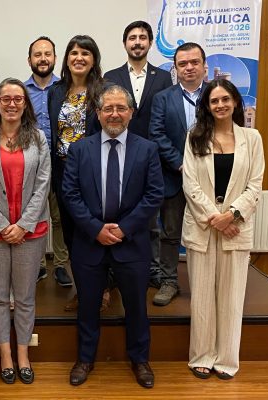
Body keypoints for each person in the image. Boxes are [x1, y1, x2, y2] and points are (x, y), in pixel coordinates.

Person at [61, 85, 163, 388]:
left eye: (120, 108)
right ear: (98, 113)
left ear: (131, 112)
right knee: (87, 306)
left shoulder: (147, 150)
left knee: (136, 307)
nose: (114, 114)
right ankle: (85, 359)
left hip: (131, 242)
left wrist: (124, 228)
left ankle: (140, 360)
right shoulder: (80, 149)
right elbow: (70, 194)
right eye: (108, 108)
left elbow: (154, 195)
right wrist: (95, 228)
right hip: (89, 242)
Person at [0, 78, 50, 384]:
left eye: (18, 99)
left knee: (26, 296)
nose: (12, 104)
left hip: (31, 230)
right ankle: (5, 354)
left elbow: (43, 184)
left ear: (25, 104)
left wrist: (24, 224)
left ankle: (23, 355)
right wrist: (2, 225)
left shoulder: (38, 138)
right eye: (6, 98)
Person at [182, 79, 264, 380]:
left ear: (235, 102)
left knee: (231, 297)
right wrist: (215, 217)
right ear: (206, 105)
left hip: (235, 229)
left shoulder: (252, 138)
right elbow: (190, 184)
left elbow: (255, 185)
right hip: (203, 227)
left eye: (225, 99)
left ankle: (227, 359)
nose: (220, 105)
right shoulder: (195, 137)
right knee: (202, 297)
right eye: (214, 101)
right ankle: (202, 355)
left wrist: (231, 216)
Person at [104, 21, 173, 289]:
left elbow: (164, 118)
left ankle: (151, 269)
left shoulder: (163, 77)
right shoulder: (111, 76)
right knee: (117, 213)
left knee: (151, 219)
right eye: (132, 37)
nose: (137, 42)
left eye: (142, 37)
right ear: (125, 43)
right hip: (117, 153)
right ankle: (115, 270)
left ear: (150, 43)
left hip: (150, 156)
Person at [149, 42, 207, 306]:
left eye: (194, 62)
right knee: (170, 233)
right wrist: (181, 164)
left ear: (204, 66)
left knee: (206, 232)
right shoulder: (163, 98)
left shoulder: (216, 95)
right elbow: (157, 134)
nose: (189, 68)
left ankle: (204, 281)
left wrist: (204, 166)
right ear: (175, 69)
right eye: (182, 64)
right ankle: (169, 281)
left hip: (208, 178)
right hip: (174, 176)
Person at [48, 35, 105, 288]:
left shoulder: (103, 90)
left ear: (93, 60)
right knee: (70, 231)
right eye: (74, 53)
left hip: (95, 171)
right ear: (66, 59)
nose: (79, 58)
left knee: (94, 230)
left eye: (85, 53)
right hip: (63, 171)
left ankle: (103, 289)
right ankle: (83, 291)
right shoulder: (56, 91)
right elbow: (55, 132)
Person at [24, 36, 68, 283]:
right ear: (29, 59)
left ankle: (60, 264)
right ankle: (38, 264)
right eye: (37, 54)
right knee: (34, 215)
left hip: (61, 163)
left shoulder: (64, 89)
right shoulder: (21, 91)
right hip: (31, 165)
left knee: (60, 217)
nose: (43, 59)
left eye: (47, 54)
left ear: (55, 58)